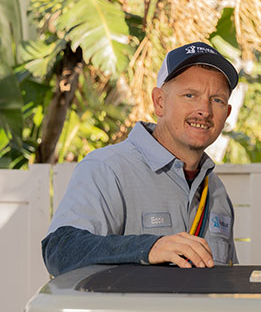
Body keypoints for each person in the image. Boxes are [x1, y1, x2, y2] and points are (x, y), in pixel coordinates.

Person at [42, 41, 239, 276]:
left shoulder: (215, 191)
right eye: (190, 95)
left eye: (216, 100)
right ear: (159, 102)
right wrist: (148, 248)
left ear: (226, 113)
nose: (204, 111)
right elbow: (60, 250)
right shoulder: (108, 168)